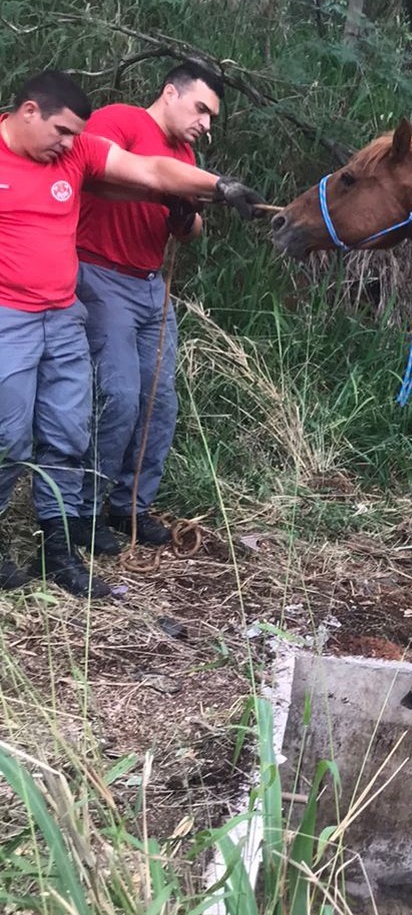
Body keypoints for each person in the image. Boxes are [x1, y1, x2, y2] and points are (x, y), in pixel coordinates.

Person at [0, 69, 263, 598]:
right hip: (12, 316)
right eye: (61, 131)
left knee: (69, 431)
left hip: (63, 313)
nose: (69, 143)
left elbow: (148, 169)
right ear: (28, 112)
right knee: (10, 435)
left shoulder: (76, 152)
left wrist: (217, 186)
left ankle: (57, 549)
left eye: (74, 135)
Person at [75, 61, 224, 552]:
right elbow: (94, 173)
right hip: (101, 273)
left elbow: (194, 230)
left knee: (159, 402)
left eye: (211, 117)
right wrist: (167, 188)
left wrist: (183, 215)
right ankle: (84, 511)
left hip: (150, 285)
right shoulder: (121, 120)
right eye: (200, 109)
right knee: (118, 396)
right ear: (170, 93)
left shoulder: (185, 154)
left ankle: (130, 506)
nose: (205, 123)